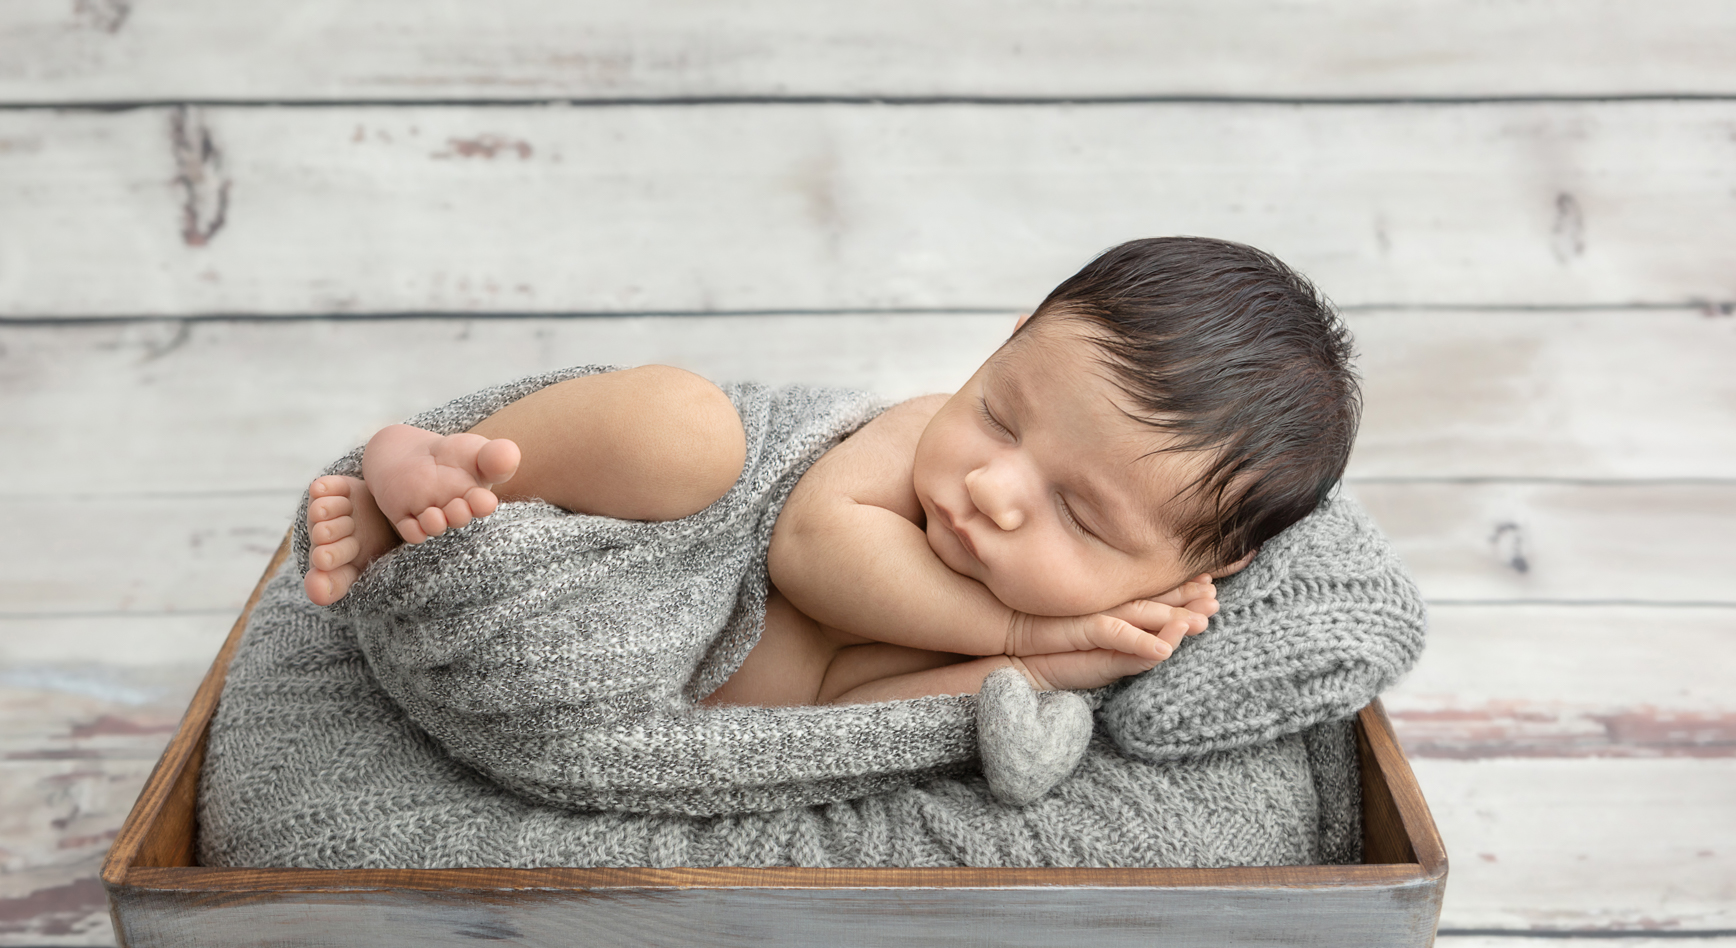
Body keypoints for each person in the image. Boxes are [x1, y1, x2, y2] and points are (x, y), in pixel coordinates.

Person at [300, 237, 1358, 708]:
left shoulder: (1092, 630)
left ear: (1195, 565)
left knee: (796, 690)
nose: (994, 487)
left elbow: (866, 707)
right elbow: (809, 551)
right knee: (681, 428)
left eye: (1079, 517)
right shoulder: (909, 446)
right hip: (653, 521)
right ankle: (431, 463)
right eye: (996, 412)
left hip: (594, 645)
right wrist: (1022, 631)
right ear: (1008, 341)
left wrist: (1052, 673)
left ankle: (446, 551)